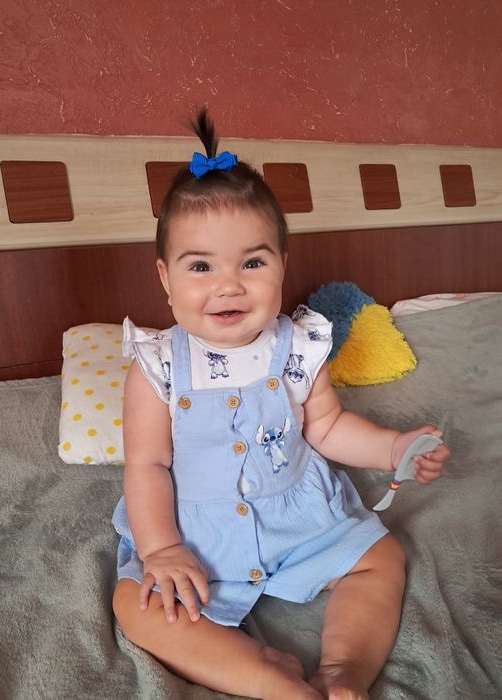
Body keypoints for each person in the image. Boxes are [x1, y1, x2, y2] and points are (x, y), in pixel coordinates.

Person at [112, 109, 449, 700]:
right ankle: (265, 675)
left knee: (382, 559)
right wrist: (161, 549)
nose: (229, 284)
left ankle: (344, 670)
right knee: (136, 606)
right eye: (200, 266)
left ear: (281, 266)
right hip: (196, 533)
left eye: (252, 262)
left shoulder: (298, 347)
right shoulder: (157, 366)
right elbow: (147, 465)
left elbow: (328, 427)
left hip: (299, 517)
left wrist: (391, 447)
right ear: (165, 279)